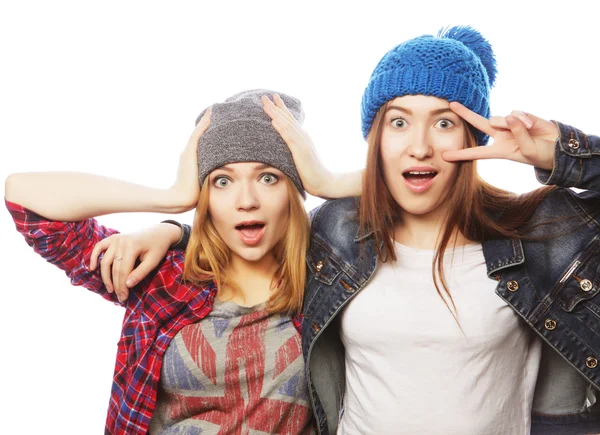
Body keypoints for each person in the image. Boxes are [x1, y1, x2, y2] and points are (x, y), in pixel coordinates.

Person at [92, 27, 600, 435]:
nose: (419, 146)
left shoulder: (540, 230)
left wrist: (562, 155)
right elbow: (256, 234)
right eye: (398, 122)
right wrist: (174, 231)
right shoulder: (337, 232)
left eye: (443, 122)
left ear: (473, 135)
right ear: (376, 138)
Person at [5, 89, 316, 435]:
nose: (246, 201)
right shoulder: (163, 277)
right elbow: (24, 197)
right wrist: (173, 199)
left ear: (293, 189)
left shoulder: (329, 277)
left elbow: (385, 202)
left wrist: (323, 180)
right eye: (222, 181)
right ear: (205, 197)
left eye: (268, 177)